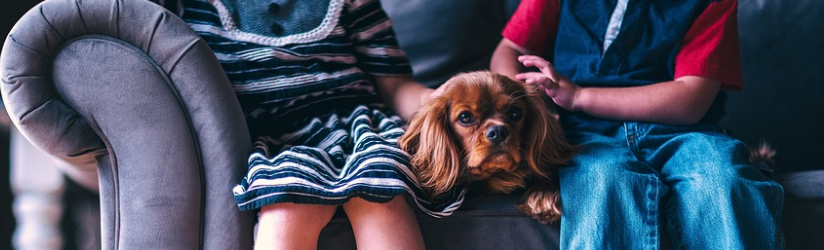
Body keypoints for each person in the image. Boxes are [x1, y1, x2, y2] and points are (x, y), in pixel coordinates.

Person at [490, 0, 784, 249]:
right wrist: (530, 103)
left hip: (683, 132)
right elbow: (508, 49)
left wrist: (580, 96)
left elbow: (691, 101)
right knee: (603, 181)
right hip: (587, 134)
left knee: (723, 180)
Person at [177, 0, 459, 249]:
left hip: (360, 129)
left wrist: (441, 99)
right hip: (280, 141)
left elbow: (397, 86)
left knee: (379, 191)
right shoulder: (201, 8)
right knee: (285, 210)